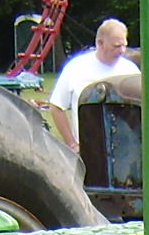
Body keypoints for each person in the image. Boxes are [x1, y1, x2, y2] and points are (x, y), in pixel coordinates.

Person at [47, 19, 139, 147]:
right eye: (117, 46)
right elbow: (56, 107)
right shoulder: (76, 67)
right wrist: (72, 144)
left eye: (124, 45)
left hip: (126, 149)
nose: (122, 50)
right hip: (89, 150)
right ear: (100, 43)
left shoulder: (131, 70)